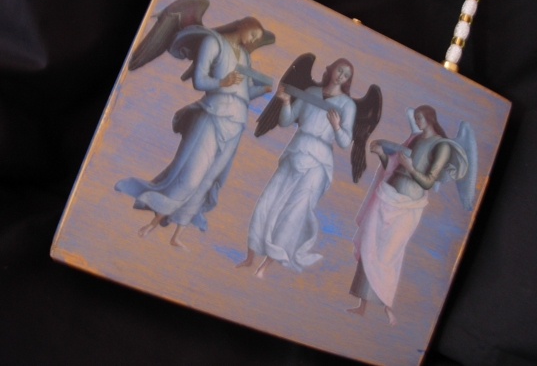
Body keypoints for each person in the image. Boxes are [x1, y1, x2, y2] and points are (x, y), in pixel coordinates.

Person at [115, 17, 273, 251]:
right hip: (212, 114)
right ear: (243, 25)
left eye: (256, 39)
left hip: (237, 121)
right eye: (253, 34)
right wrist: (222, 82)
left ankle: (178, 234)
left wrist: (264, 89)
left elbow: (244, 93)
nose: (252, 41)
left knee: (207, 181)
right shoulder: (213, 43)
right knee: (190, 175)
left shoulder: (245, 56)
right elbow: (200, 81)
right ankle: (153, 223)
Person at [346, 105, 468, 325]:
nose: (417, 122)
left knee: (390, 254)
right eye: (416, 118)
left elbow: (428, 182)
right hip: (387, 195)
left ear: (430, 118)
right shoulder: (415, 138)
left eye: (419, 118)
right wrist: (382, 154)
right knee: (369, 246)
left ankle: (387, 306)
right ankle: (362, 305)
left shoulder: (441, 146)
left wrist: (411, 167)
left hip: (408, 206)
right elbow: (393, 168)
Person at [235, 59, 357, 278]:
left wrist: (337, 127)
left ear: (348, 80)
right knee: (268, 200)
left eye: (346, 75)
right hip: (296, 151)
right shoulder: (311, 92)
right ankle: (250, 257)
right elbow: (286, 121)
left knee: (294, 212)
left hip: (318, 162)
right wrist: (285, 103)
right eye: (340, 70)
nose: (341, 76)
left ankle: (266, 266)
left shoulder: (348, 106)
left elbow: (345, 142)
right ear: (331, 69)